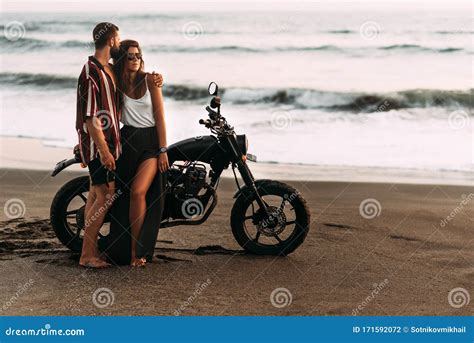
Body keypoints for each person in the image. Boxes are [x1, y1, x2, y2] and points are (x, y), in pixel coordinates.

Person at [76, 23, 163, 268]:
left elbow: (132, 75)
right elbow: (90, 117)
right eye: (119, 39)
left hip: (107, 144)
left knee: (96, 194)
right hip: (100, 146)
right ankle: (86, 255)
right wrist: (103, 151)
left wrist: (155, 77)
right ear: (113, 41)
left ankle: (91, 250)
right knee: (105, 195)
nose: (120, 43)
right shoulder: (93, 72)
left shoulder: (106, 70)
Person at [109, 39, 169, 267]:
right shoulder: (116, 82)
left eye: (138, 56)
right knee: (121, 197)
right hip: (127, 140)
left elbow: (160, 117)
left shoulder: (151, 80)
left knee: (137, 192)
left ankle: (138, 251)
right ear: (122, 59)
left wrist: (163, 149)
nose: (135, 60)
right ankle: (124, 250)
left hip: (150, 143)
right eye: (130, 56)